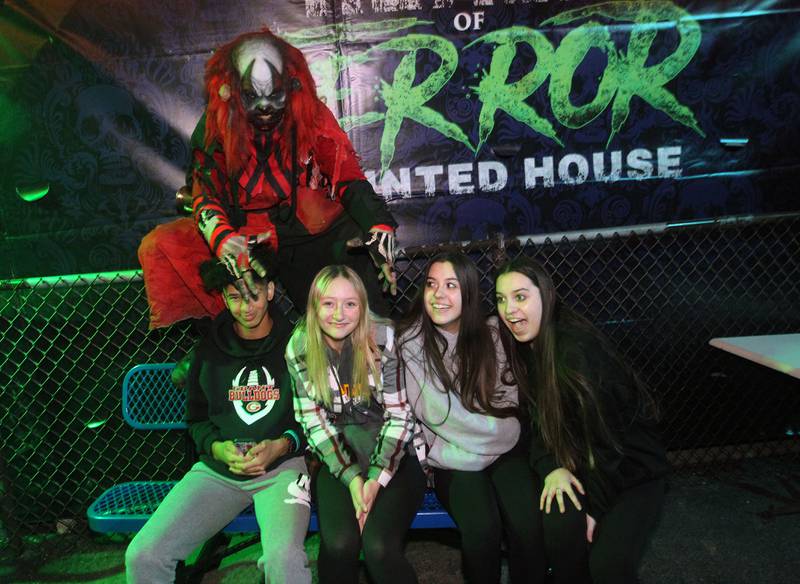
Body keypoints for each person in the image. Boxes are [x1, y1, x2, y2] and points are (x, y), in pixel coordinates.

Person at [138, 29, 397, 329]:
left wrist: (378, 222)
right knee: (164, 245)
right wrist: (221, 239)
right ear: (232, 91)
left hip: (309, 229)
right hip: (245, 232)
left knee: (355, 260)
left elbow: (347, 176)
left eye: (275, 96)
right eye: (252, 97)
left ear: (291, 87)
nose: (264, 108)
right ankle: (218, 347)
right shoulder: (216, 124)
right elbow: (205, 194)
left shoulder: (310, 114)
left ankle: (377, 347)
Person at [125, 246, 311, 584]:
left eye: (253, 295)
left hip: (282, 468)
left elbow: (315, 418)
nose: (246, 306)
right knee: (143, 555)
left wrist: (281, 446)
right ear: (224, 299)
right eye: (235, 298)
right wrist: (216, 448)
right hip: (220, 470)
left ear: (270, 290)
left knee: (283, 560)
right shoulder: (209, 349)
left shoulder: (298, 342)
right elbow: (196, 421)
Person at [494, 256, 670, 584]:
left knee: (608, 568)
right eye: (502, 300)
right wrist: (552, 468)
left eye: (521, 296)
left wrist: (595, 511)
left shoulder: (573, 353)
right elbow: (536, 424)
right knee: (559, 523)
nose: (510, 310)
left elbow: (610, 445)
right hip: (585, 463)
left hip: (633, 472)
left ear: (545, 295)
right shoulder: (531, 350)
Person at [395, 251, 546, 584]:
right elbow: (439, 416)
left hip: (500, 452)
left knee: (528, 522)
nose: (438, 295)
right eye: (431, 284)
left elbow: (510, 410)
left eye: (451, 285)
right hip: (451, 460)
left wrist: (489, 439)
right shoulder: (410, 343)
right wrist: (490, 432)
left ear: (469, 292)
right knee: (482, 528)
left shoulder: (494, 335)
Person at [287, 265, 424, 584]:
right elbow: (313, 421)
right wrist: (352, 479)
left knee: (378, 548)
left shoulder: (382, 337)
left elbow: (400, 416)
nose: (339, 314)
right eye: (328, 303)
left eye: (350, 304)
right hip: (338, 456)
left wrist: (375, 479)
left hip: (396, 458)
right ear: (314, 307)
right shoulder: (300, 347)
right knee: (339, 544)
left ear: (362, 307)